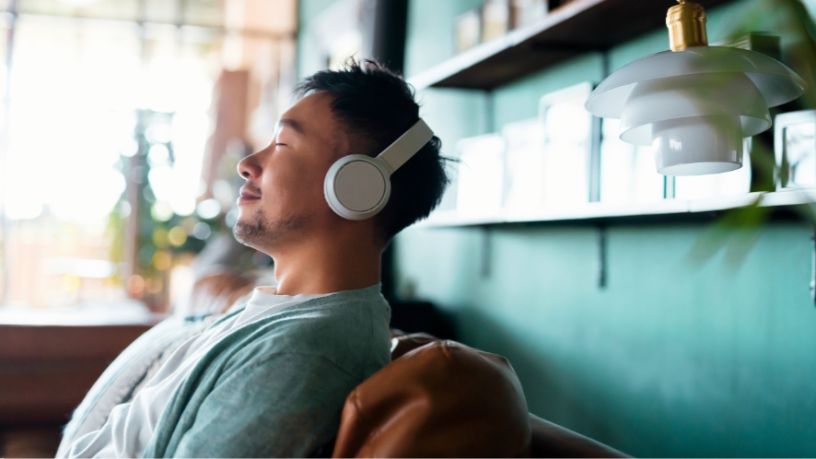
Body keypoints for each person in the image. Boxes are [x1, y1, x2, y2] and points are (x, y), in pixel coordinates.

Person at [57, 59, 449, 458]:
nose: (246, 165)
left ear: (356, 187)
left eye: (281, 144)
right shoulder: (274, 312)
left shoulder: (305, 352)